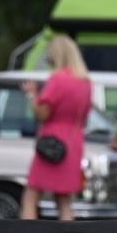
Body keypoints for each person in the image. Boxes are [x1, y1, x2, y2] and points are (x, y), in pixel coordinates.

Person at [20, 35, 90, 220]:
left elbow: (43, 113)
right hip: (74, 143)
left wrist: (32, 95)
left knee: (31, 195)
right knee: (64, 200)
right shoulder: (84, 82)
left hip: (51, 142)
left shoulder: (58, 79)